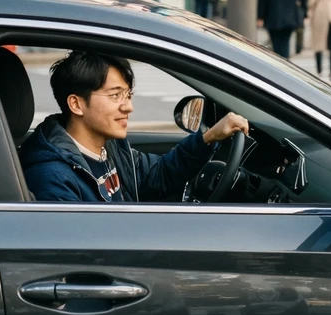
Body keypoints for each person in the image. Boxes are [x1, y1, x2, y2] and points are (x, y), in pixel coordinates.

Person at [19, 51, 248, 202]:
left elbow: (158, 175)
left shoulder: (112, 148)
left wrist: (208, 138)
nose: (128, 107)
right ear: (76, 104)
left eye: (128, 95)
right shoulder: (53, 176)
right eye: (116, 95)